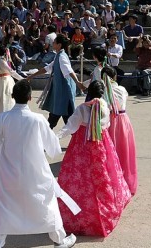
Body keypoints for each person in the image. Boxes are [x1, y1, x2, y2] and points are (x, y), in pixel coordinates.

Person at [0, 80, 78, 248]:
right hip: (35, 172)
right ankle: (59, 240)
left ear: (12, 96)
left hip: (7, 172)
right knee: (46, 203)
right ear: (30, 97)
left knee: (1, 208)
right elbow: (53, 148)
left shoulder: (3, 118)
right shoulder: (38, 120)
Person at [56, 80, 131, 237]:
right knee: (102, 178)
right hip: (101, 145)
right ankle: (103, 214)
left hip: (81, 147)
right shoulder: (105, 106)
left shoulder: (83, 108)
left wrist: (55, 137)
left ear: (88, 92)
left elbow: (70, 127)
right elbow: (107, 125)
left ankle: (77, 216)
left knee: (79, 180)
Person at [30, 36, 87, 130]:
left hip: (63, 93)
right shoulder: (59, 55)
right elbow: (47, 68)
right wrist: (31, 76)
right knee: (62, 118)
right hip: (61, 93)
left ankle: (49, 135)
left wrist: (78, 83)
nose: (53, 44)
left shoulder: (61, 57)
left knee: (61, 117)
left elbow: (69, 71)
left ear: (59, 45)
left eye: (54, 42)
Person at [102, 67, 137, 195]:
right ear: (115, 77)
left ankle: (113, 180)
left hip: (111, 121)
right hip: (123, 120)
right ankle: (126, 178)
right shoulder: (122, 89)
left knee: (111, 151)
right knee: (125, 150)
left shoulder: (104, 92)